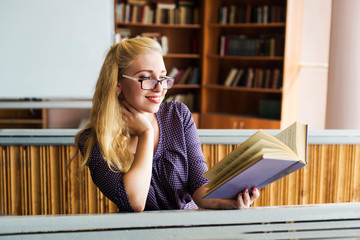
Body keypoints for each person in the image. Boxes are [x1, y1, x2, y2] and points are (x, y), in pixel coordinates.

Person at [75, 37, 260, 212]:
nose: (159, 88)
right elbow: (135, 202)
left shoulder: (177, 115)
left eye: (163, 77)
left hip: (187, 230)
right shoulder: (94, 141)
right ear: (117, 83)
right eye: (146, 78)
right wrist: (145, 133)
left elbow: (199, 186)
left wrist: (227, 202)